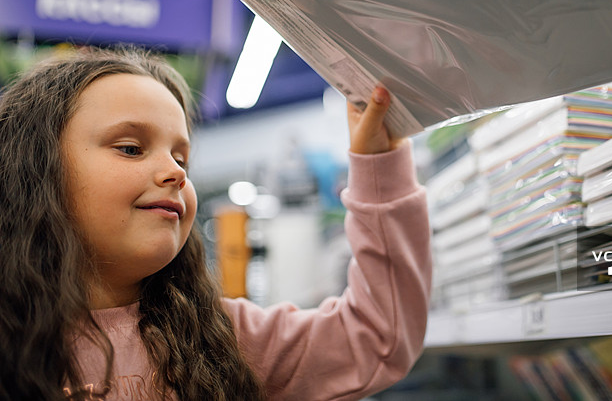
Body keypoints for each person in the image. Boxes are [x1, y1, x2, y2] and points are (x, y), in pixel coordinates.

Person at [0, 46, 432, 401]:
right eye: (131, 148)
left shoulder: (227, 338)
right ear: (37, 172)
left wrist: (380, 165)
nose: (175, 173)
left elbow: (378, 336)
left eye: (181, 157)